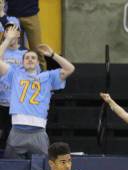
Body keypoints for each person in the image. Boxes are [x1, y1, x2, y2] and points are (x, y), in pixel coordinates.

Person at [0, 27, 74, 159]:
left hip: (38, 131)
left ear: (38, 63)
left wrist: (52, 54)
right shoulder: (15, 75)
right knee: (12, 169)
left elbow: (70, 69)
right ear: (22, 63)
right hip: (17, 129)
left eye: (33, 58)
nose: (30, 60)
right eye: (27, 58)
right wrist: (8, 39)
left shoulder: (48, 77)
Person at [6, 0, 44, 69]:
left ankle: (44, 76)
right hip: (12, 14)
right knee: (11, 48)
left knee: (37, 49)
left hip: (31, 14)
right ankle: (14, 76)